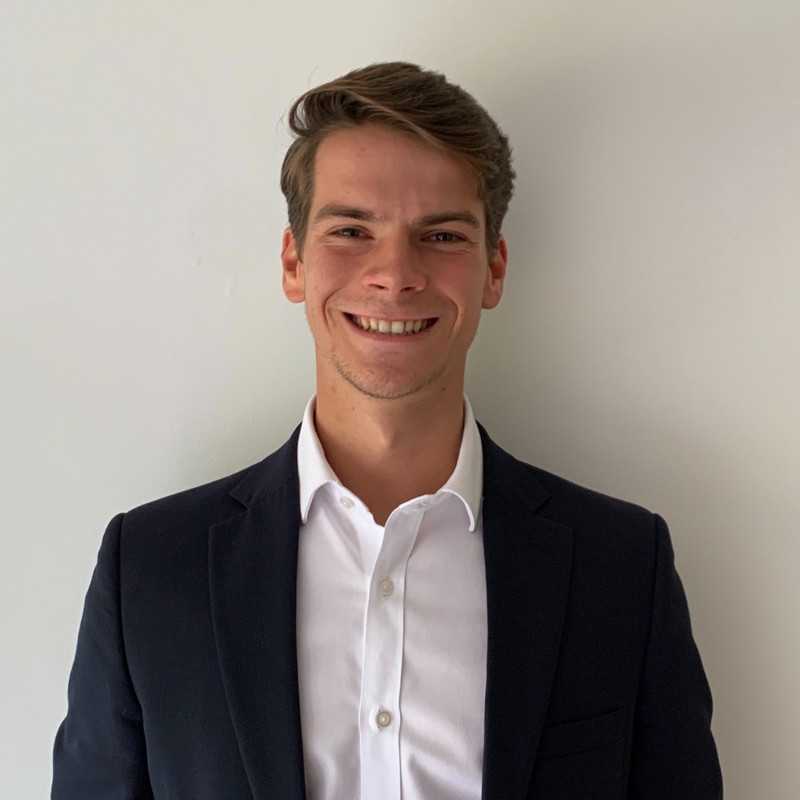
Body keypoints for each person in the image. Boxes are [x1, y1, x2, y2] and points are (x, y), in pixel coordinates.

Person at [52, 62, 722, 799]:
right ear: (292, 263)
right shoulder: (150, 568)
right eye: (350, 230)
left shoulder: (622, 568)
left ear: (493, 270)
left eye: (440, 235)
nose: (394, 274)